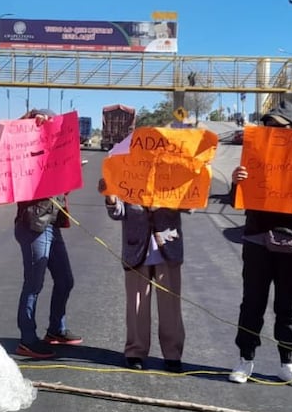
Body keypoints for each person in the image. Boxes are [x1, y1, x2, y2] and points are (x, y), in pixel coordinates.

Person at [226, 102, 292, 388]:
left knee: (287, 306)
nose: (273, 131)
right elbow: (236, 202)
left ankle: (287, 364)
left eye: (280, 127)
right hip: (257, 240)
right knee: (252, 303)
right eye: (269, 126)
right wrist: (236, 183)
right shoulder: (255, 157)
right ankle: (245, 360)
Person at [12, 109, 80, 360]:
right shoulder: (26, 155)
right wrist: (29, 118)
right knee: (33, 285)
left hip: (50, 223)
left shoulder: (55, 155)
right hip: (33, 224)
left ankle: (56, 329)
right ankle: (27, 340)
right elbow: (11, 140)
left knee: (65, 280)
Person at [99, 178, 185, 372]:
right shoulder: (128, 167)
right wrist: (111, 199)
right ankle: (135, 351)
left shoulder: (175, 166)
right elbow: (118, 213)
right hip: (136, 249)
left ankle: (173, 354)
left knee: (170, 306)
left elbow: (191, 205)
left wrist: (164, 202)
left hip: (168, 246)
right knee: (136, 305)